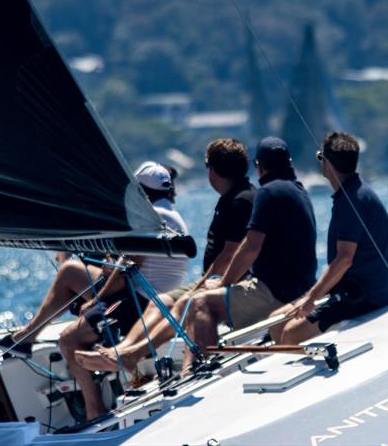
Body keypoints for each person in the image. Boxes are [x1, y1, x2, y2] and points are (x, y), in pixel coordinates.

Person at [79, 136, 317, 375]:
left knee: (198, 302)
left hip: (275, 291)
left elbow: (246, 249)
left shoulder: (262, 194)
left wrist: (222, 284)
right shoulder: (297, 190)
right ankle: (131, 352)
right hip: (292, 286)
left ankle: (195, 370)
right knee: (176, 302)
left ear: (259, 166)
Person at [0, 161, 189, 420]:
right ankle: (27, 338)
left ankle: (92, 407)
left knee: (68, 316)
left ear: (141, 193)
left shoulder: (150, 218)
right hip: (148, 300)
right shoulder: (172, 215)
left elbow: (125, 273)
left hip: (137, 304)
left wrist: (97, 299)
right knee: (71, 283)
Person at [270, 131, 388, 345]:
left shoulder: (351, 200)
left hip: (364, 296)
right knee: (276, 322)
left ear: (327, 163)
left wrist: (310, 299)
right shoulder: (355, 192)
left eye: (321, 157)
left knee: (290, 333)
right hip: (358, 290)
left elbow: (344, 259)